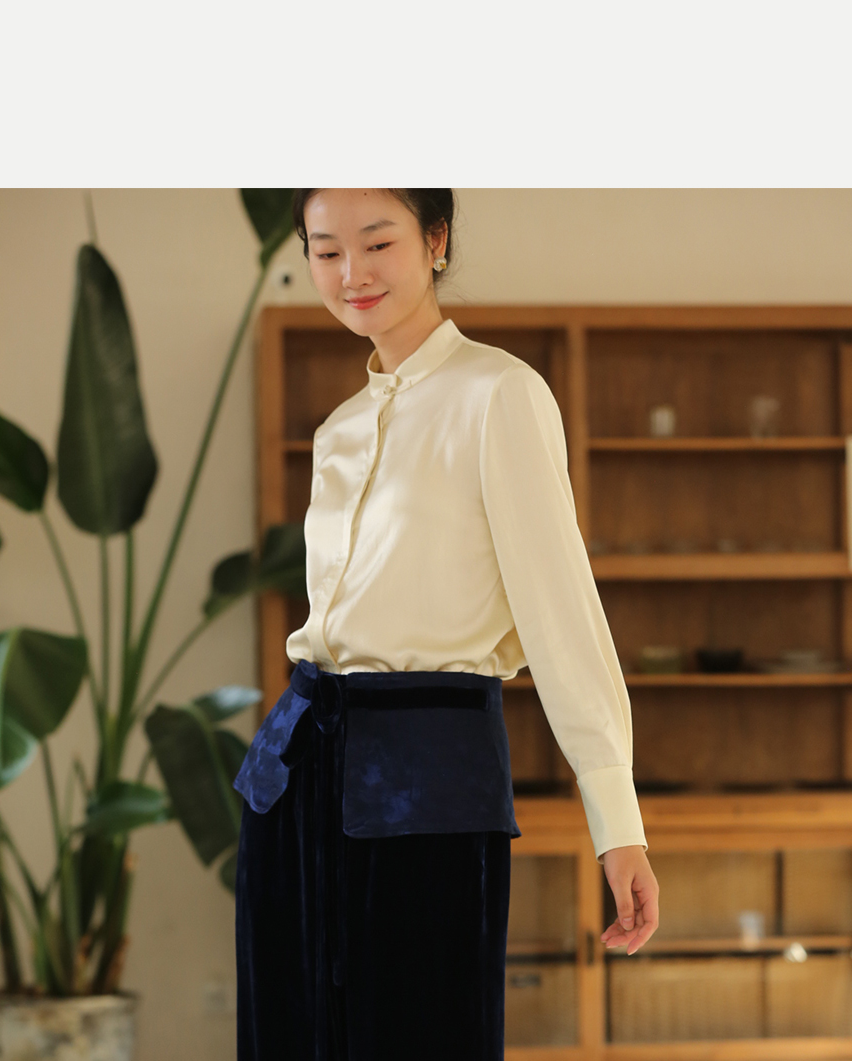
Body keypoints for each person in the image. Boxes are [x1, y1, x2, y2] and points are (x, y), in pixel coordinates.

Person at [233, 188, 660, 1061]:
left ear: (436, 240)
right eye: (325, 251)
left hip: (425, 784)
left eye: (376, 242)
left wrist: (617, 823)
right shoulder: (339, 429)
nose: (351, 273)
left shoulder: (502, 394)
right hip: (297, 771)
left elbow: (562, 610)